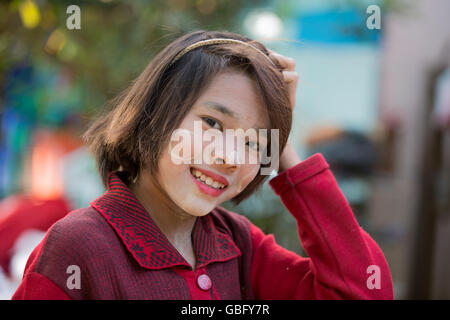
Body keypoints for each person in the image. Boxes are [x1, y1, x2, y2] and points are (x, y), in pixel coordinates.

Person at [12, 30, 393, 300]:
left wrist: (284, 145)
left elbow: (363, 291)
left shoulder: (237, 245)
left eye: (252, 143)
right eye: (212, 123)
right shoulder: (79, 247)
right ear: (154, 113)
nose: (230, 157)